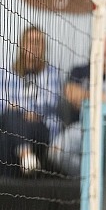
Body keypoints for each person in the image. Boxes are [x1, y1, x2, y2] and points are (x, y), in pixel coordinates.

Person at [48, 38, 106, 176]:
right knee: (56, 151)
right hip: (82, 127)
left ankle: (105, 183)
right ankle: (89, 178)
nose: (104, 52)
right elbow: (71, 94)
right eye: (102, 48)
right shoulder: (79, 71)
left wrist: (87, 96)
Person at [0, 26, 61, 175]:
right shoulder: (7, 73)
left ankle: (9, 188)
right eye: (30, 41)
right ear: (22, 45)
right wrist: (19, 112)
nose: (34, 45)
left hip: (40, 127)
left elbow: (51, 104)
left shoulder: (51, 73)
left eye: (38, 42)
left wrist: (24, 111)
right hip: (12, 122)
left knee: (10, 123)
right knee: (7, 127)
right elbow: (2, 104)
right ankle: (25, 158)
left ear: (43, 47)